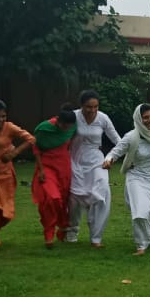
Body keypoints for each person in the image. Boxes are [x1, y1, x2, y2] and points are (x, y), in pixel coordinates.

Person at [103, 103, 150, 254]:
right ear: (138, 119)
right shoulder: (132, 136)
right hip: (137, 177)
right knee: (140, 211)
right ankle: (141, 245)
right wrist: (109, 160)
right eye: (146, 117)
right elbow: (116, 151)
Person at [64, 89, 121, 248]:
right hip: (75, 159)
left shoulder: (103, 118)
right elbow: (60, 135)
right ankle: (72, 232)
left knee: (102, 192)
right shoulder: (73, 116)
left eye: (96, 106)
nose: (93, 110)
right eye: (89, 107)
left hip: (97, 160)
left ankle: (96, 237)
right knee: (74, 197)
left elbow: (118, 141)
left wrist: (111, 158)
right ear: (81, 106)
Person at [0, 100, 35, 250]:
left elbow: (31, 139)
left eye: (3, 116)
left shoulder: (9, 127)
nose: (0, 119)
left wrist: (14, 153)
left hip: (5, 174)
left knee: (6, 213)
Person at [32, 106, 77, 248]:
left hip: (64, 167)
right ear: (58, 121)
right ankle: (49, 233)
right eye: (64, 126)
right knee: (52, 198)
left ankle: (62, 228)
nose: (66, 129)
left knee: (62, 200)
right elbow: (36, 148)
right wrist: (40, 170)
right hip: (47, 166)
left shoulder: (73, 128)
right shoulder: (44, 129)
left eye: (68, 127)